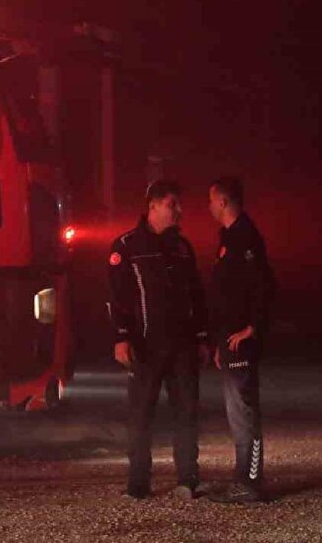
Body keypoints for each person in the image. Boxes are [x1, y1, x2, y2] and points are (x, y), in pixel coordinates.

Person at [108, 179, 209, 500]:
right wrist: (121, 337)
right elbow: (116, 297)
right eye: (172, 204)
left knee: (186, 411)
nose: (178, 211)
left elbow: (197, 296)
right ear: (152, 205)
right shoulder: (125, 247)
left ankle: (188, 478)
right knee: (140, 415)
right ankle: (138, 484)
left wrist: (202, 337)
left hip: (182, 346)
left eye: (178, 205)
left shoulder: (182, 248)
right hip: (146, 345)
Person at [206, 177, 276, 504]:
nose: (208, 207)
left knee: (246, 410)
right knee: (236, 412)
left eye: (211, 201)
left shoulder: (246, 238)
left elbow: (263, 285)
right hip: (228, 340)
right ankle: (241, 477)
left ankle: (251, 481)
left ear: (223, 201)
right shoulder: (229, 238)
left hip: (241, 341)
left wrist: (253, 328)